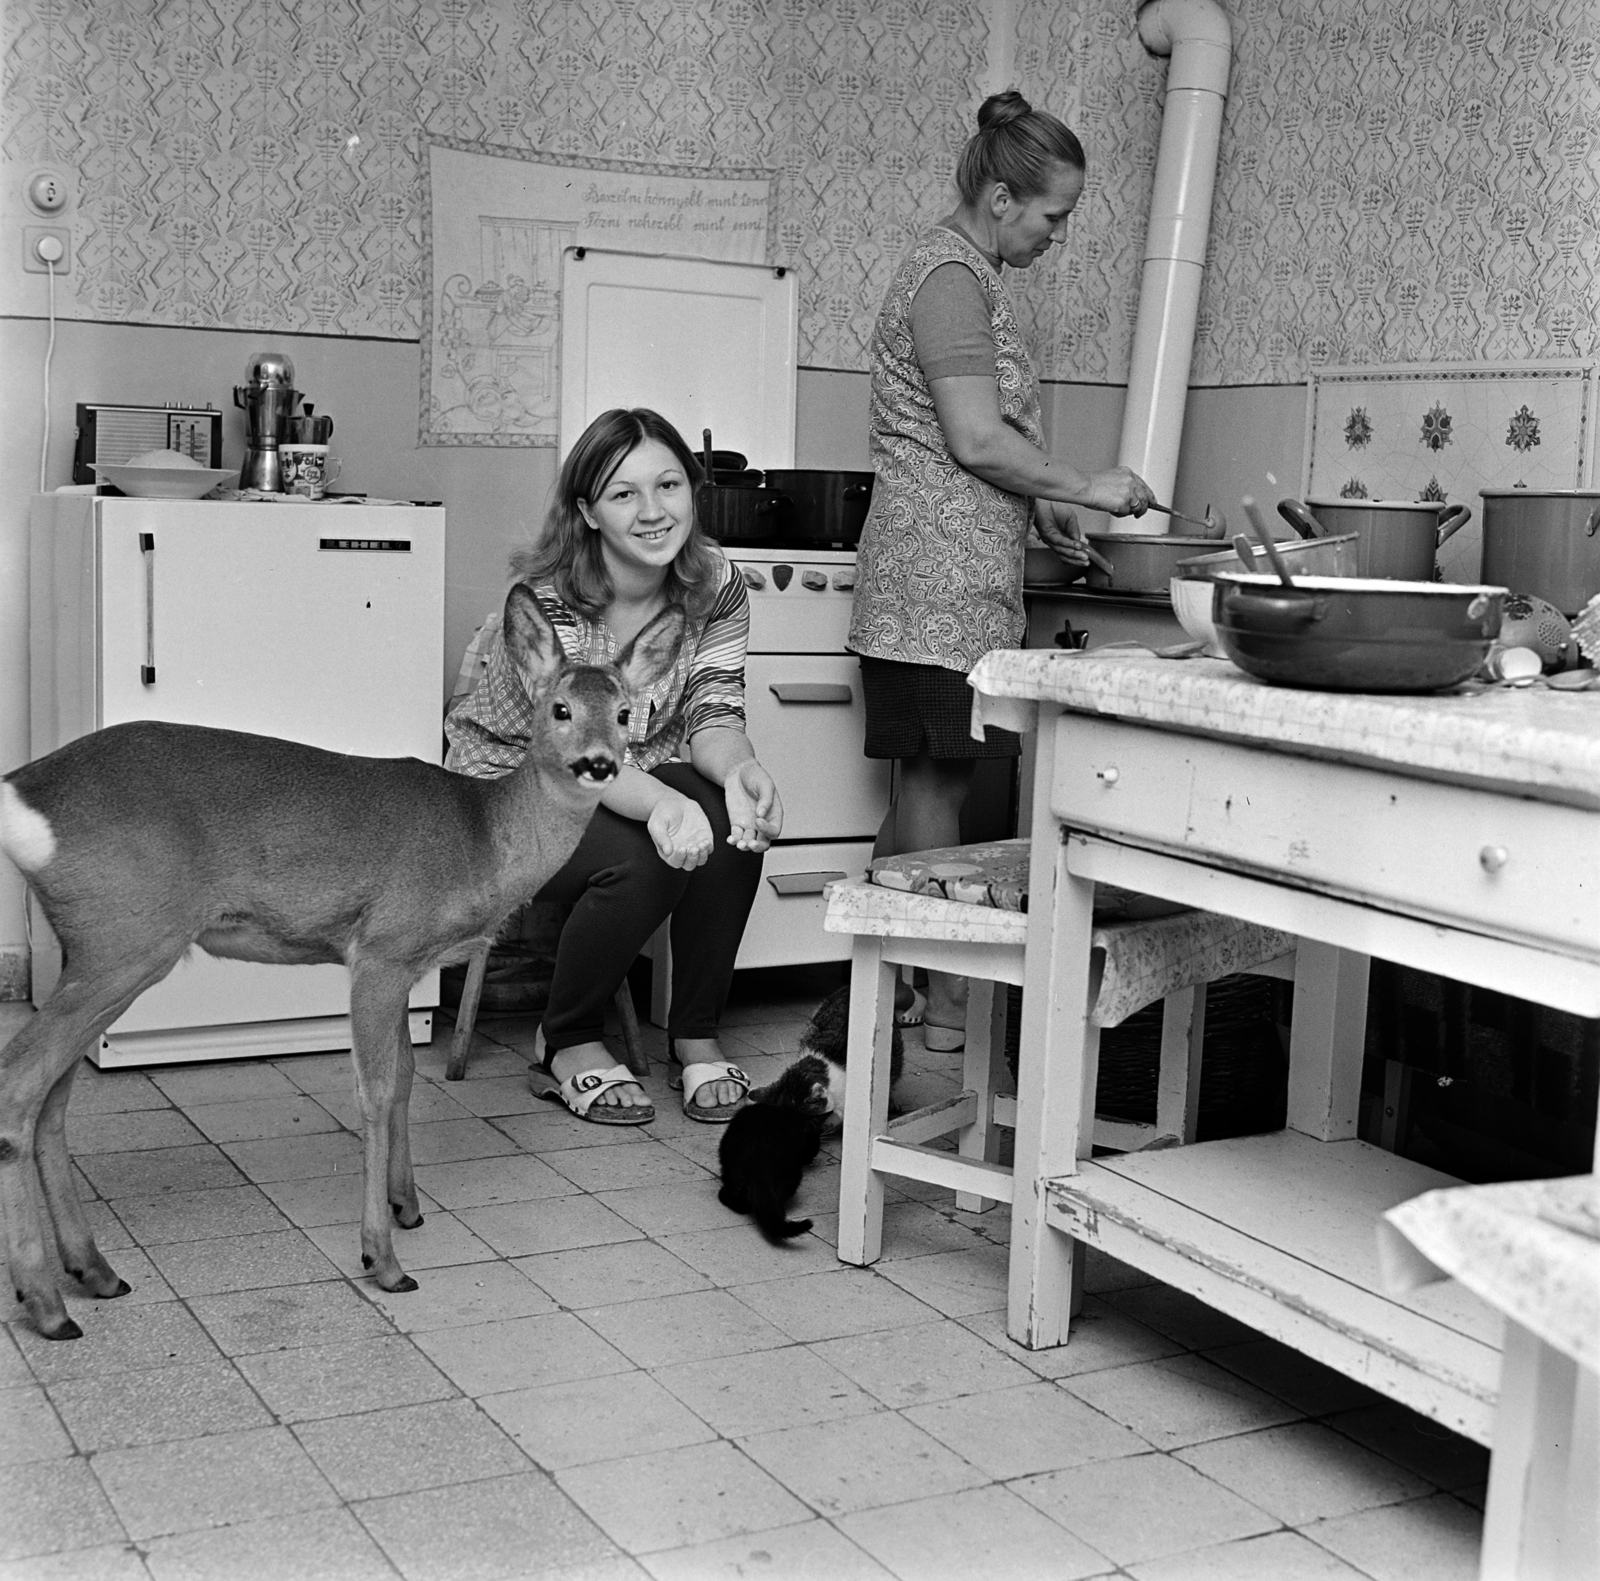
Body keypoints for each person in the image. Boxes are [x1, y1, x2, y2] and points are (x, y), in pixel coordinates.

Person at [848, 90, 1156, 1044]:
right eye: (1053, 214)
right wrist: (1090, 486)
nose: (1060, 235)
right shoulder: (947, 276)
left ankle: (889, 983)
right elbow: (977, 439)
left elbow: (989, 444)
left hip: (962, 583)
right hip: (928, 587)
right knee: (939, 788)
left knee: (936, 787)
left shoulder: (978, 279)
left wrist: (1047, 501)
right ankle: (941, 1000)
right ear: (998, 196)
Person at [446, 408, 784, 1124]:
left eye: (669, 485)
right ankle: (564, 1037)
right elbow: (576, 758)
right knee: (646, 851)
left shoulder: (715, 584)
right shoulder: (551, 603)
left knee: (731, 818)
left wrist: (741, 772)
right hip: (506, 796)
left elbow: (713, 710)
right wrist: (664, 806)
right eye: (624, 494)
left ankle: (693, 1032)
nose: (655, 511)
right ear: (587, 511)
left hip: (630, 771)